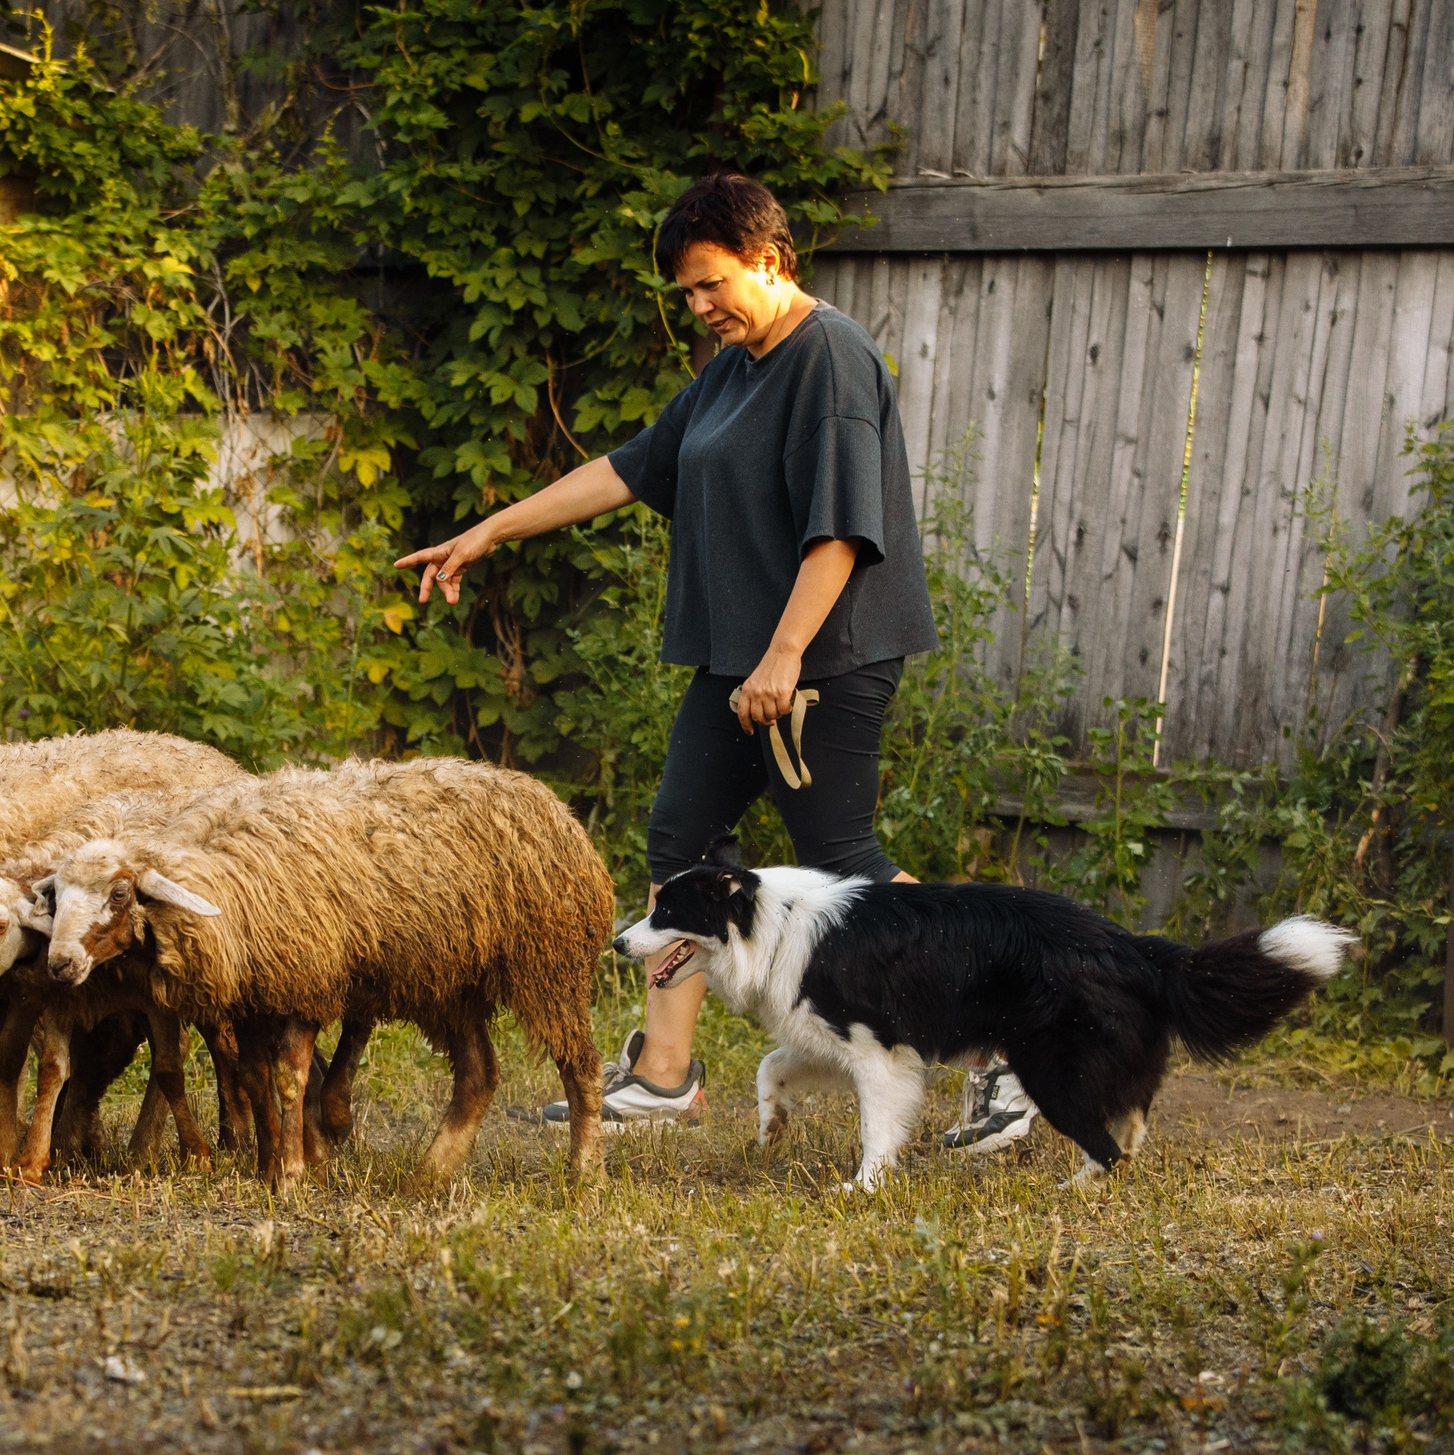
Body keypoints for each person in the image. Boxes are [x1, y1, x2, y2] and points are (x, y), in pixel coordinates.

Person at [399, 170, 1035, 1141]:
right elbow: (628, 468)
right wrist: (488, 531)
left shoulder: (829, 359)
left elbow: (840, 533)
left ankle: (1014, 1032)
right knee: (681, 842)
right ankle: (663, 1077)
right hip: (739, 661)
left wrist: (784, 655)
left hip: (821, 658)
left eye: (710, 285)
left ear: (769, 260)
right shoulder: (734, 367)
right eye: (686, 292)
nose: (698, 307)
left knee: (844, 860)